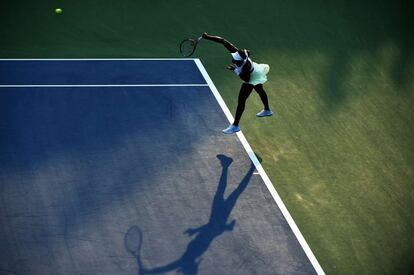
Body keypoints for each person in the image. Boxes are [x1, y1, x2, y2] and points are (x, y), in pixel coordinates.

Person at [202, 32, 273, 134]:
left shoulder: (246, 67)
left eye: (235, 60)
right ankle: (267, 110)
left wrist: (235, 70)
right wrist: (208, 37)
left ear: (239, 61)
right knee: (260, 89)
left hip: (251, 76)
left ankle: (235, 125)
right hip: (256, 70)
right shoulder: (237, 53)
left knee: (241, 100)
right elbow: (222, 40)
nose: (233, 59)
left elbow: (247, 79)